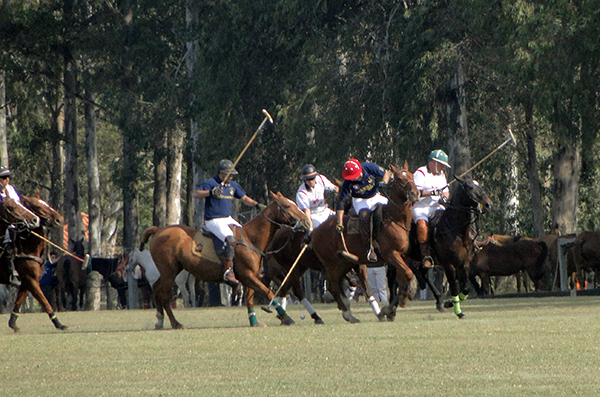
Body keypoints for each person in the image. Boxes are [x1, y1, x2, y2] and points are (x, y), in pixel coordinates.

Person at [194, 159, 265, 288]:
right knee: (230, 238)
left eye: (232, 174)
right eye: (228, 174)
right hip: (213, 220)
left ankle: (252, 266)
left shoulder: (233, 186)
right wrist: (210, 192)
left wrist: (256, 204)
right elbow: (197, 194)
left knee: (244, 237)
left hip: (227, 218)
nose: (231, 177)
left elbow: (244, 198)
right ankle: (228, 271)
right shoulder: (211, 183)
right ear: (220, 173)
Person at [336, 159, 390, 262]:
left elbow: (386, 172)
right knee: (364, 216)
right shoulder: (347, 182)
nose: (351, 179)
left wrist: (384, 182)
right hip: (360, 200)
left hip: (375, 196)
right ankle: (369, 249)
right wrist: (339, 222)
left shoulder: (369, 167)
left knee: (389, 210)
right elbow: (341, 202)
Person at [412, 149, 451, 268]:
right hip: (420, 207)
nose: (443, 167)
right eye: (441, 165)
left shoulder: (442, 175)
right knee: (422, 227)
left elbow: (446, 191)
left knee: (449, 221)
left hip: (436, 206)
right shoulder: (421, 173)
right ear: (434, 163)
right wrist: (431, 192)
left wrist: (444, 197)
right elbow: (415, 193)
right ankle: (426, 257)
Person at [296, 164, 338, 233]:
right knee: (322, 231)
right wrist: (310, 228)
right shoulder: (301, 193)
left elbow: (334, 188)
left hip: (326, 211)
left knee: (338, 221)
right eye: (308, 179)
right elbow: (307, 212)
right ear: (304, 180)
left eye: (312, 178)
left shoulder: (321, 179)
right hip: (313, 215)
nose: (311, 181)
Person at [0, 165, 21, 286]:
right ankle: (10, 272)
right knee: (7, 244)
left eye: (8, 177)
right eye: (4, 178)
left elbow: (17, 205)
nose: (7, 180)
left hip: (14, 223)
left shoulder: (10, 189)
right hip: (3, 227)